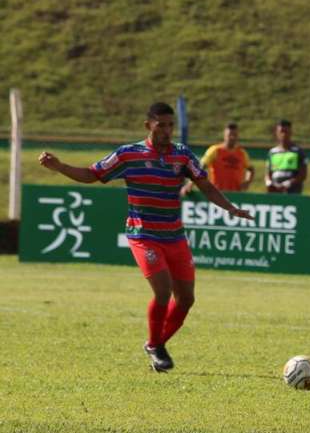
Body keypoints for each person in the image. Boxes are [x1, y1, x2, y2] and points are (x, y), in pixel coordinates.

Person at [38, 102, 254, 372]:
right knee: (162, 291)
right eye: (161, 125)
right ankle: (155, 345)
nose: (166, 130)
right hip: (144, 234)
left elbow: (206, 186)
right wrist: (61, 166)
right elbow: (92, 175)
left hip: (174, 236)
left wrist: (231, 208)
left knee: (186, 299)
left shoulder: (182, 155)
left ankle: (156, 343)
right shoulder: (129, 154)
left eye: (170, 125)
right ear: (148, 125)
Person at [188, 122, 253, 195]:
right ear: (225, 135)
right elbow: (201, 167)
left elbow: (250, 169)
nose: (232, 137)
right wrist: (190, 184)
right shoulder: (215, 150)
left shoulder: (242, 153)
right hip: (217, 194)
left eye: (235, 135)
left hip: (236, 195)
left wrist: (247, 181)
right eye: (230, 135)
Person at [265, 119, 307, 194]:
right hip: (275, 193)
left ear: (291, 132)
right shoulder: (272, 152)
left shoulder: (298, 152)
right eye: (281, 131)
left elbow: (303, 175)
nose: (283, 134)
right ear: (276, 133)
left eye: (286, 131)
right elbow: (268, 173)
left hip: (292, 193)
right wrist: (269, 183)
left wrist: (287, 184)